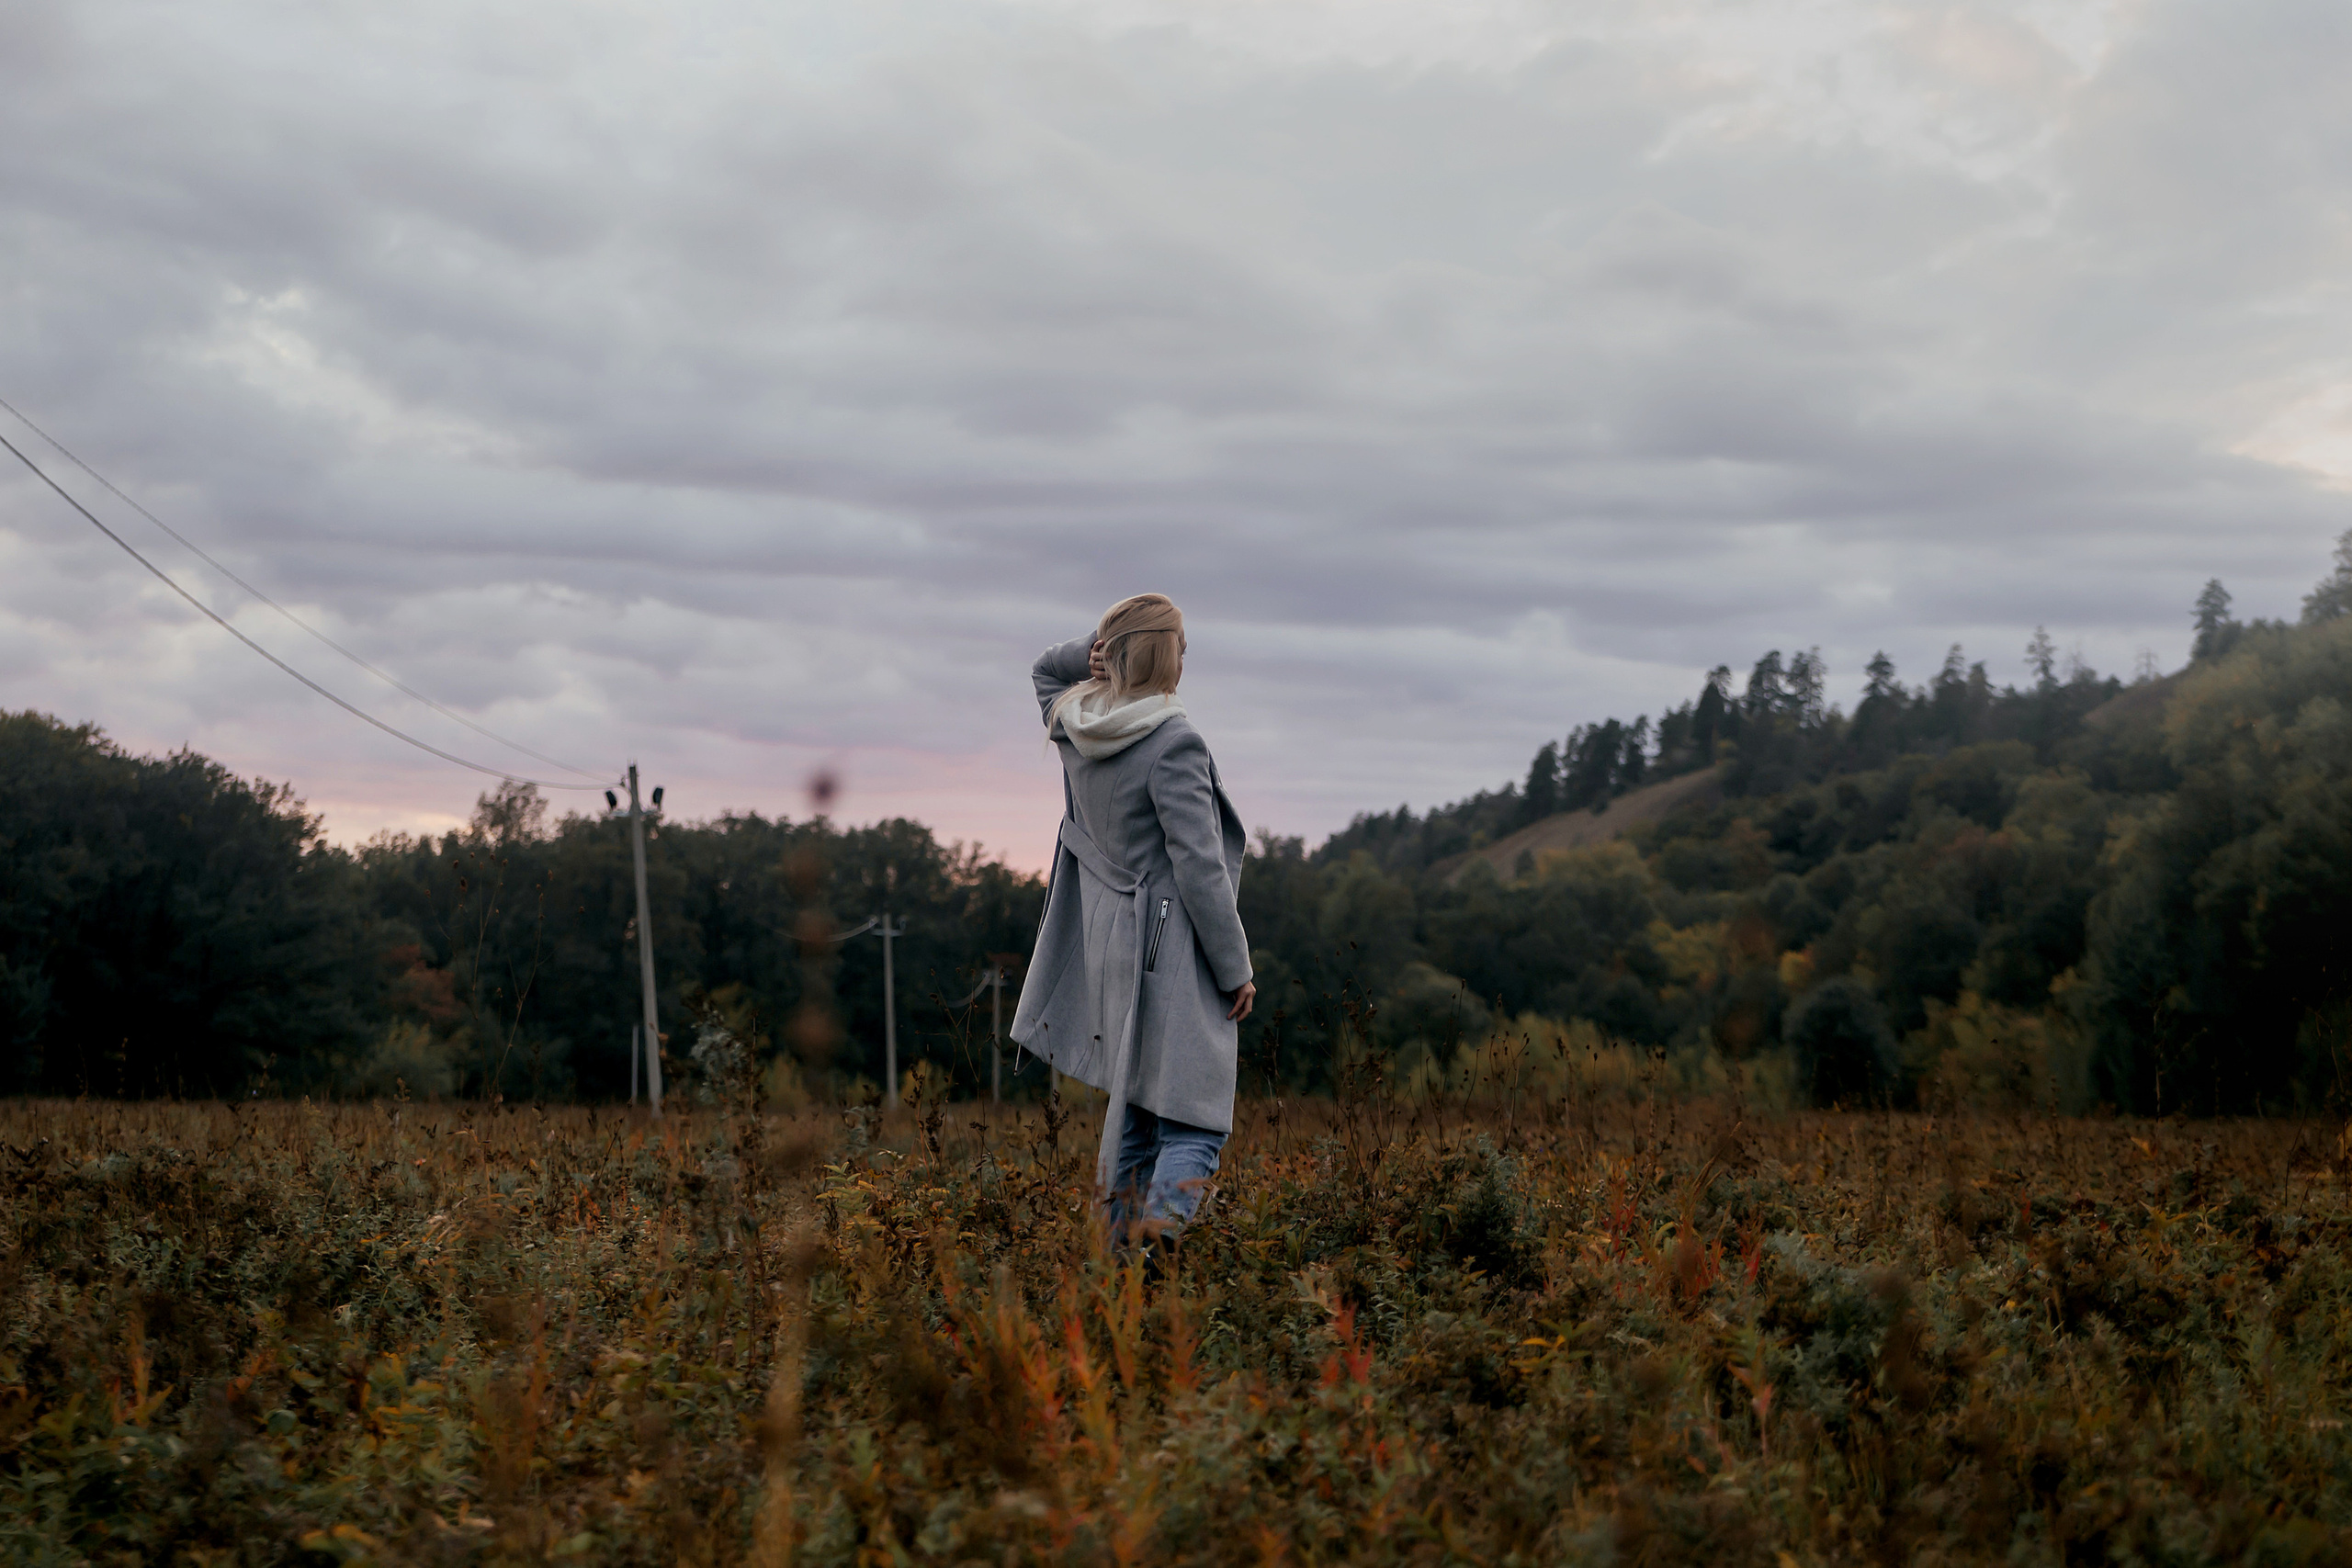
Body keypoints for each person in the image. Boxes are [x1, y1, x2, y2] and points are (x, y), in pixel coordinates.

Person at [1009, 592, 1255, 1253]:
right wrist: (1235, 969)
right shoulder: (1173, 741)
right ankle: (1158, 1237)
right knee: (1197, 1120)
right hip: (1171, 943)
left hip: (1109, 942)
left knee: (1139, 1108)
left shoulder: (1075, 719)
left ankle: (1119, 1263)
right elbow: (1199, 868)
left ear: (1114, 652)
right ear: (1168, 655)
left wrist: (1094, 646)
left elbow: (1043, 669)